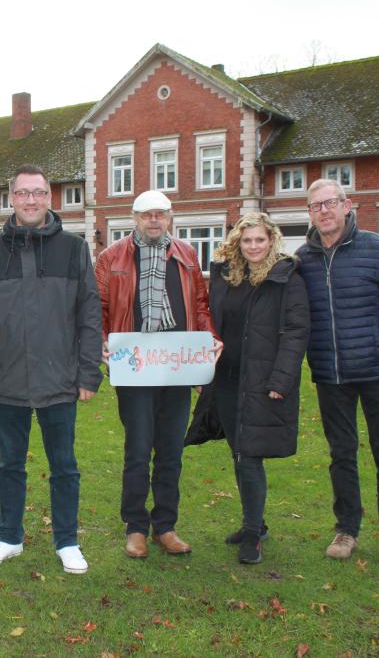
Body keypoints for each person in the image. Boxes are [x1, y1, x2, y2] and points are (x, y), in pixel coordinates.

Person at [0, 164, 103, 575]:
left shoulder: (74, 249)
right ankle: (9, 536)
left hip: (60, 380)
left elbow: (89, 315)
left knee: (64, 465)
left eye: (38, 192)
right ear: (11, 198)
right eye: (22, 193)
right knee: (9, 464)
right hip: (5, 380)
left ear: (49, 198)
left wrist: (88, 372)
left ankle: (67, 540)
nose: (30, 200)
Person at [297, 179, 379, 568]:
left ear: (347, 205)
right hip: (332, 374)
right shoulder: (304, 259)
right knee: (342, 454)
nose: (325, 211)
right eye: (316, 205)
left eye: (331, 203)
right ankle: (347, 528)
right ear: (310, 213)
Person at [95, 189, 220, 559]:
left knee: (170, 449)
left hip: (177, 362)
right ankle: (135, 527)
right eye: (146, 214)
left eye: (160, 214)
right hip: (134, 364)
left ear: (170, 218)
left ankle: (165, 525)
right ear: (134, 218)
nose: (153, 220)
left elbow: (200, 304)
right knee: (137, 448)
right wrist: (102, 343)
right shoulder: (111, 257)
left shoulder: (187, 255)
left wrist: (209, 337)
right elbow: (99, 307)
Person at [185, 213, 309, 564]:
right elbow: (211, 323)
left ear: (272, 241)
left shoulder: (286, 277)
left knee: (250, 455)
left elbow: (296, 332)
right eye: (247, 240)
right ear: (238, 243)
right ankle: (256, 521)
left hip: (262, 380)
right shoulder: (227, 277)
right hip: (227, 378)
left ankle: (253, 533)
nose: (253, 246)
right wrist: (202, 368)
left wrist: (281, 381)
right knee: (240, 452)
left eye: (260, 240)